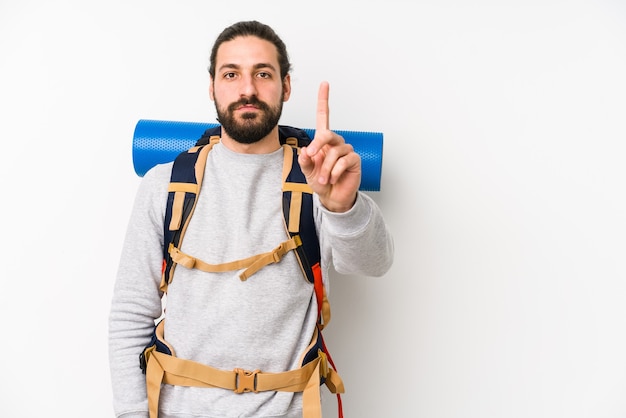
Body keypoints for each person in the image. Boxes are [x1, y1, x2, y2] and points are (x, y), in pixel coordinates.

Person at [108, 20, 394, 418]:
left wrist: (343, 206)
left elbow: (373, 263)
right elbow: (129, 316)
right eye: (231, 74)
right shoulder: (165, 185)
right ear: (212, 87)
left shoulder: (318, 179)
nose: (247, 89)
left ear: (286, 86)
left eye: (263, 73)